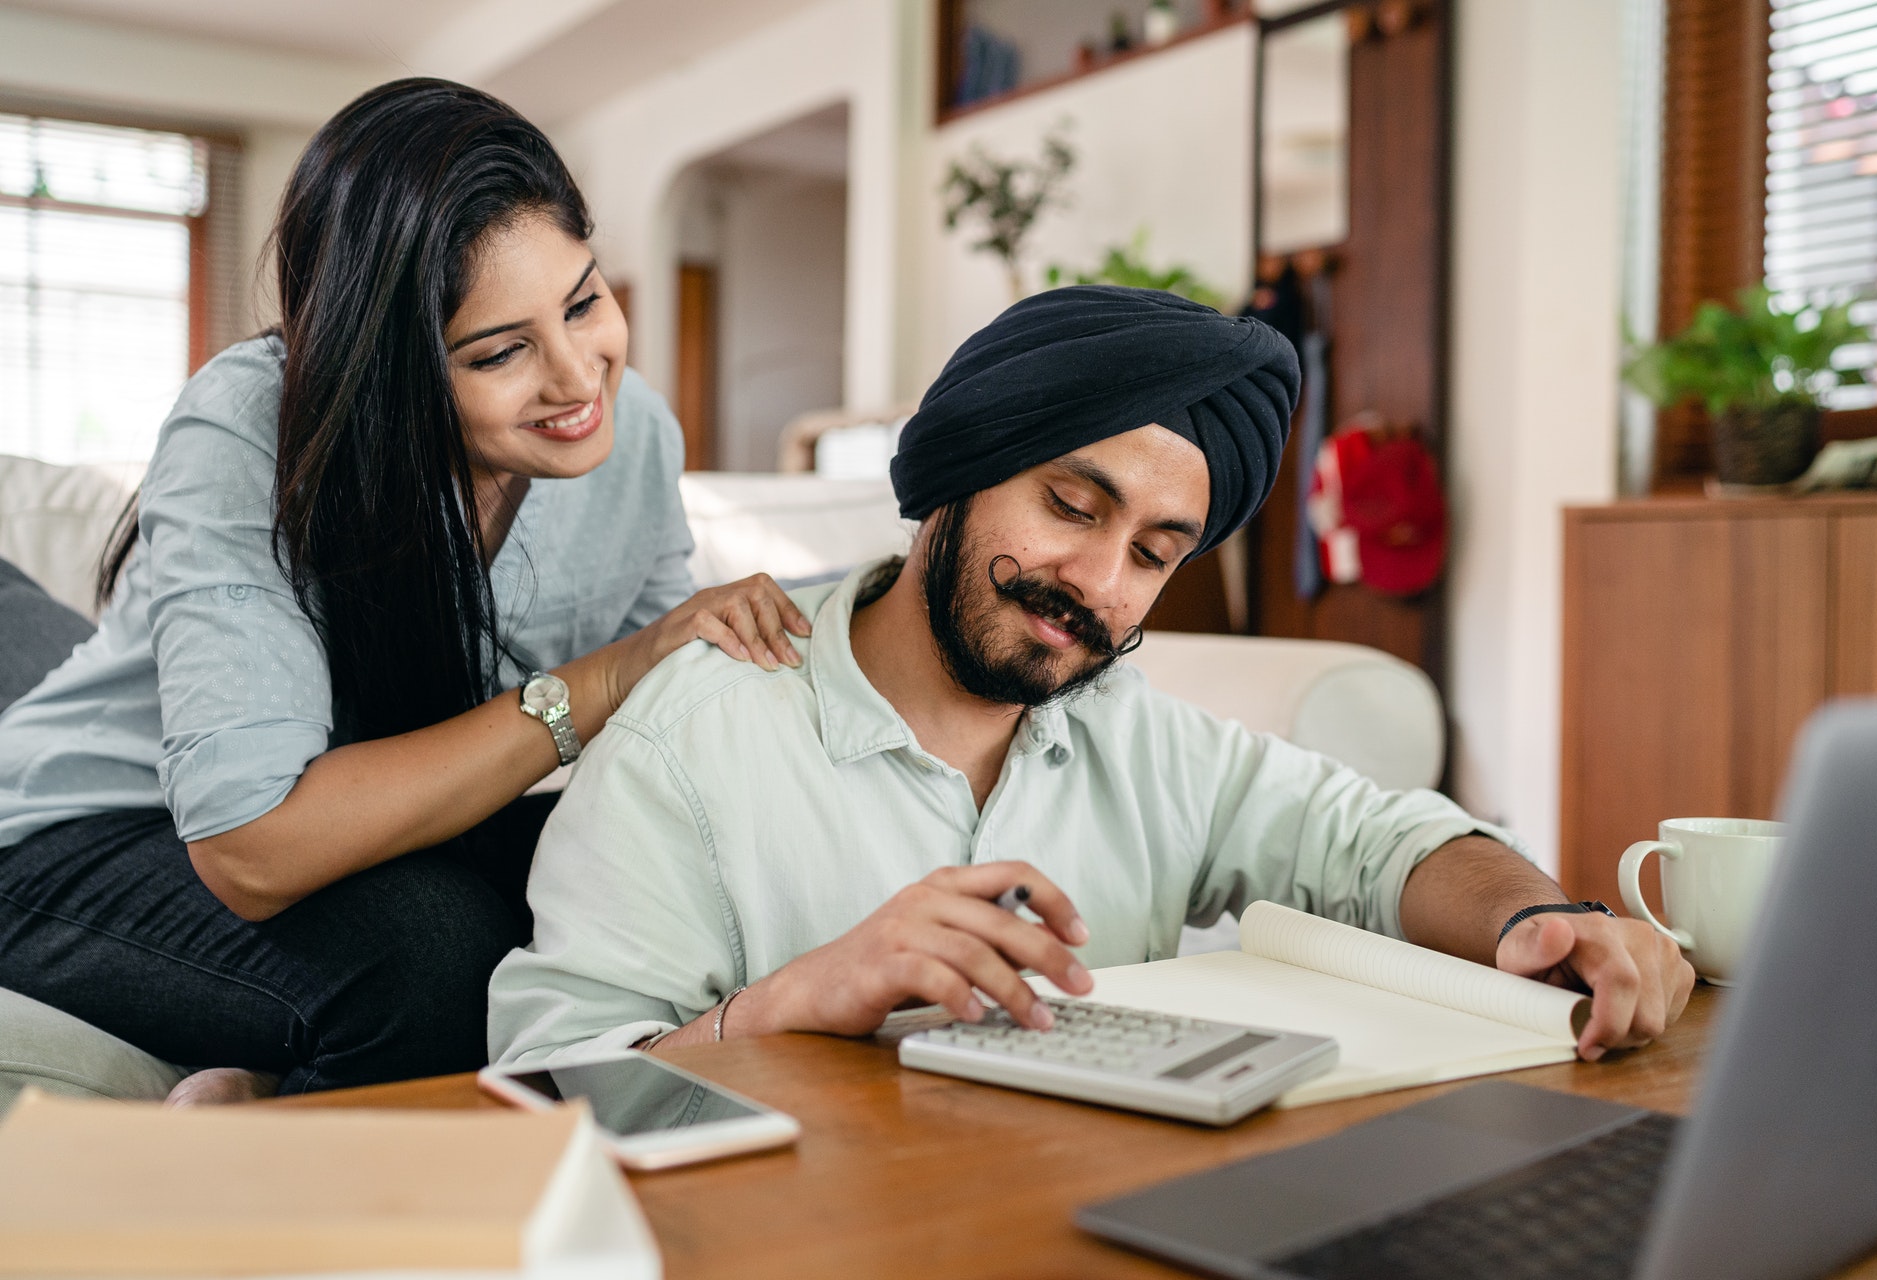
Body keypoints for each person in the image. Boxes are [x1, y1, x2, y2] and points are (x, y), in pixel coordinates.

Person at [488, 286, 1694, 1067]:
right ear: (960, 471)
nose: (1100, 581)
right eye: (1072, 503)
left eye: (1156, 553)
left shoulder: (1135, 730)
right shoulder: (694, 734)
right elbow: (551, 1085)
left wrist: (1544, 917)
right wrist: (801, 994)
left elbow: (1379, 842)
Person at [0, 79, 806, 1100]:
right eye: (500, 351)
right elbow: (254, 847)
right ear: (391, 368)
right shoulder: (250, 425)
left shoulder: (633, 431)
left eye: (584, 300)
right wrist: (600, 680)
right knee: (433, 951)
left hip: (373, 821)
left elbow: (665, 736)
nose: (578, 378)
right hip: (94, 828)